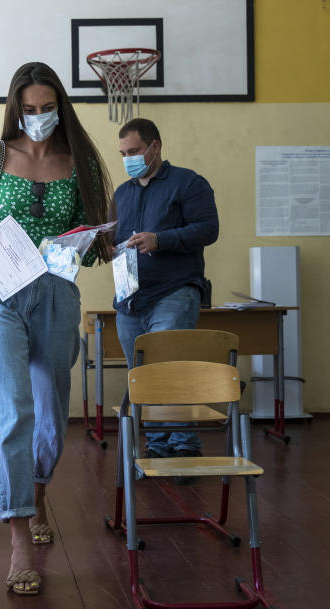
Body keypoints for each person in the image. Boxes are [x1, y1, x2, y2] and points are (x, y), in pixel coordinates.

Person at [0, 62, 112, 596]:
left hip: (57, 291)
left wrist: (93, 242)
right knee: (8, 409)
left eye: (48, 108)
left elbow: (94, 252)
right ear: (15, 109)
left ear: (60, 108)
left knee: (49, 410)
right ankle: (19, 532)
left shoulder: (81, 159)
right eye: (29, 109)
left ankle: (37, 488)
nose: (38, 118)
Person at [111, 117, 219, 471]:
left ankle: (185, 447)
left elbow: (209, 229)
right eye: (124, 153)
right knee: (142, 375)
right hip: (130, 300)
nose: (128, 158)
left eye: (134, 151)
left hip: (174, 291)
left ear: (154, 147)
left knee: (171, 370)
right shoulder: (123, 193)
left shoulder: (188, 183)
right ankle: (157, 445)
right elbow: (114, 241)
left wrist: (162, 239)